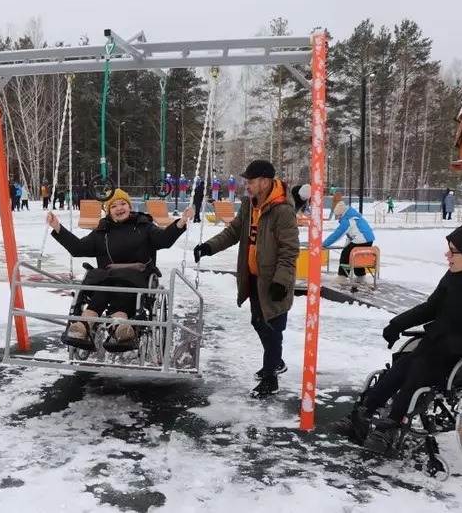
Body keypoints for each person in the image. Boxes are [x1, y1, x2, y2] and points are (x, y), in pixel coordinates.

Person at [332, 219, 462, 454]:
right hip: (437, 346)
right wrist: (397, 324)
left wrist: (455, 344)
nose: (447, 255)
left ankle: (390, 425)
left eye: (454, 251)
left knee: (417, 371)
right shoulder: (454, 276)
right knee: (400, 368)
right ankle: (362, 413)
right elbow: (431, 307)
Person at [193, 159, 299, 397]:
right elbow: (234, 231)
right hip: (253, 277)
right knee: (258, 322)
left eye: (250, 182)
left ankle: (271, 377)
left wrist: (281, 281)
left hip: (274, 281)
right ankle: (276, 362)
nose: (247, 186)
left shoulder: (282, 210)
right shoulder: (249, 205)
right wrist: (208, 247)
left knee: (272, 327)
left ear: (265, 181)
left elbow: (290, 250)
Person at [47, 189, 193, 347]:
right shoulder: (102, 232)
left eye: (123, 203)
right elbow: (78, 248)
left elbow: (164, 239)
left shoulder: (144, 226)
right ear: (108, 211)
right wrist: (57, 228)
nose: (119, 208)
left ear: (130, 206)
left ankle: (120, 325)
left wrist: (181, 221)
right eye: (114, 206)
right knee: (104, 286)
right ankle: (85, 324)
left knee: (121, 286)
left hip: (137, 277)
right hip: (107, 278)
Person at [322, 201, 376, 285]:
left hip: (360, 240)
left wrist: (324, 244)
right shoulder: (354, 216)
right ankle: (360, 276)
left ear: (342, 213)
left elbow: (337, 234)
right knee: (359, 256)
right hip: (368, 239)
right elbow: (352, 234)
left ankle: (342, 277)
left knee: (345, 255)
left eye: (338, 215)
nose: (338, 217)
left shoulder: (347, 220)